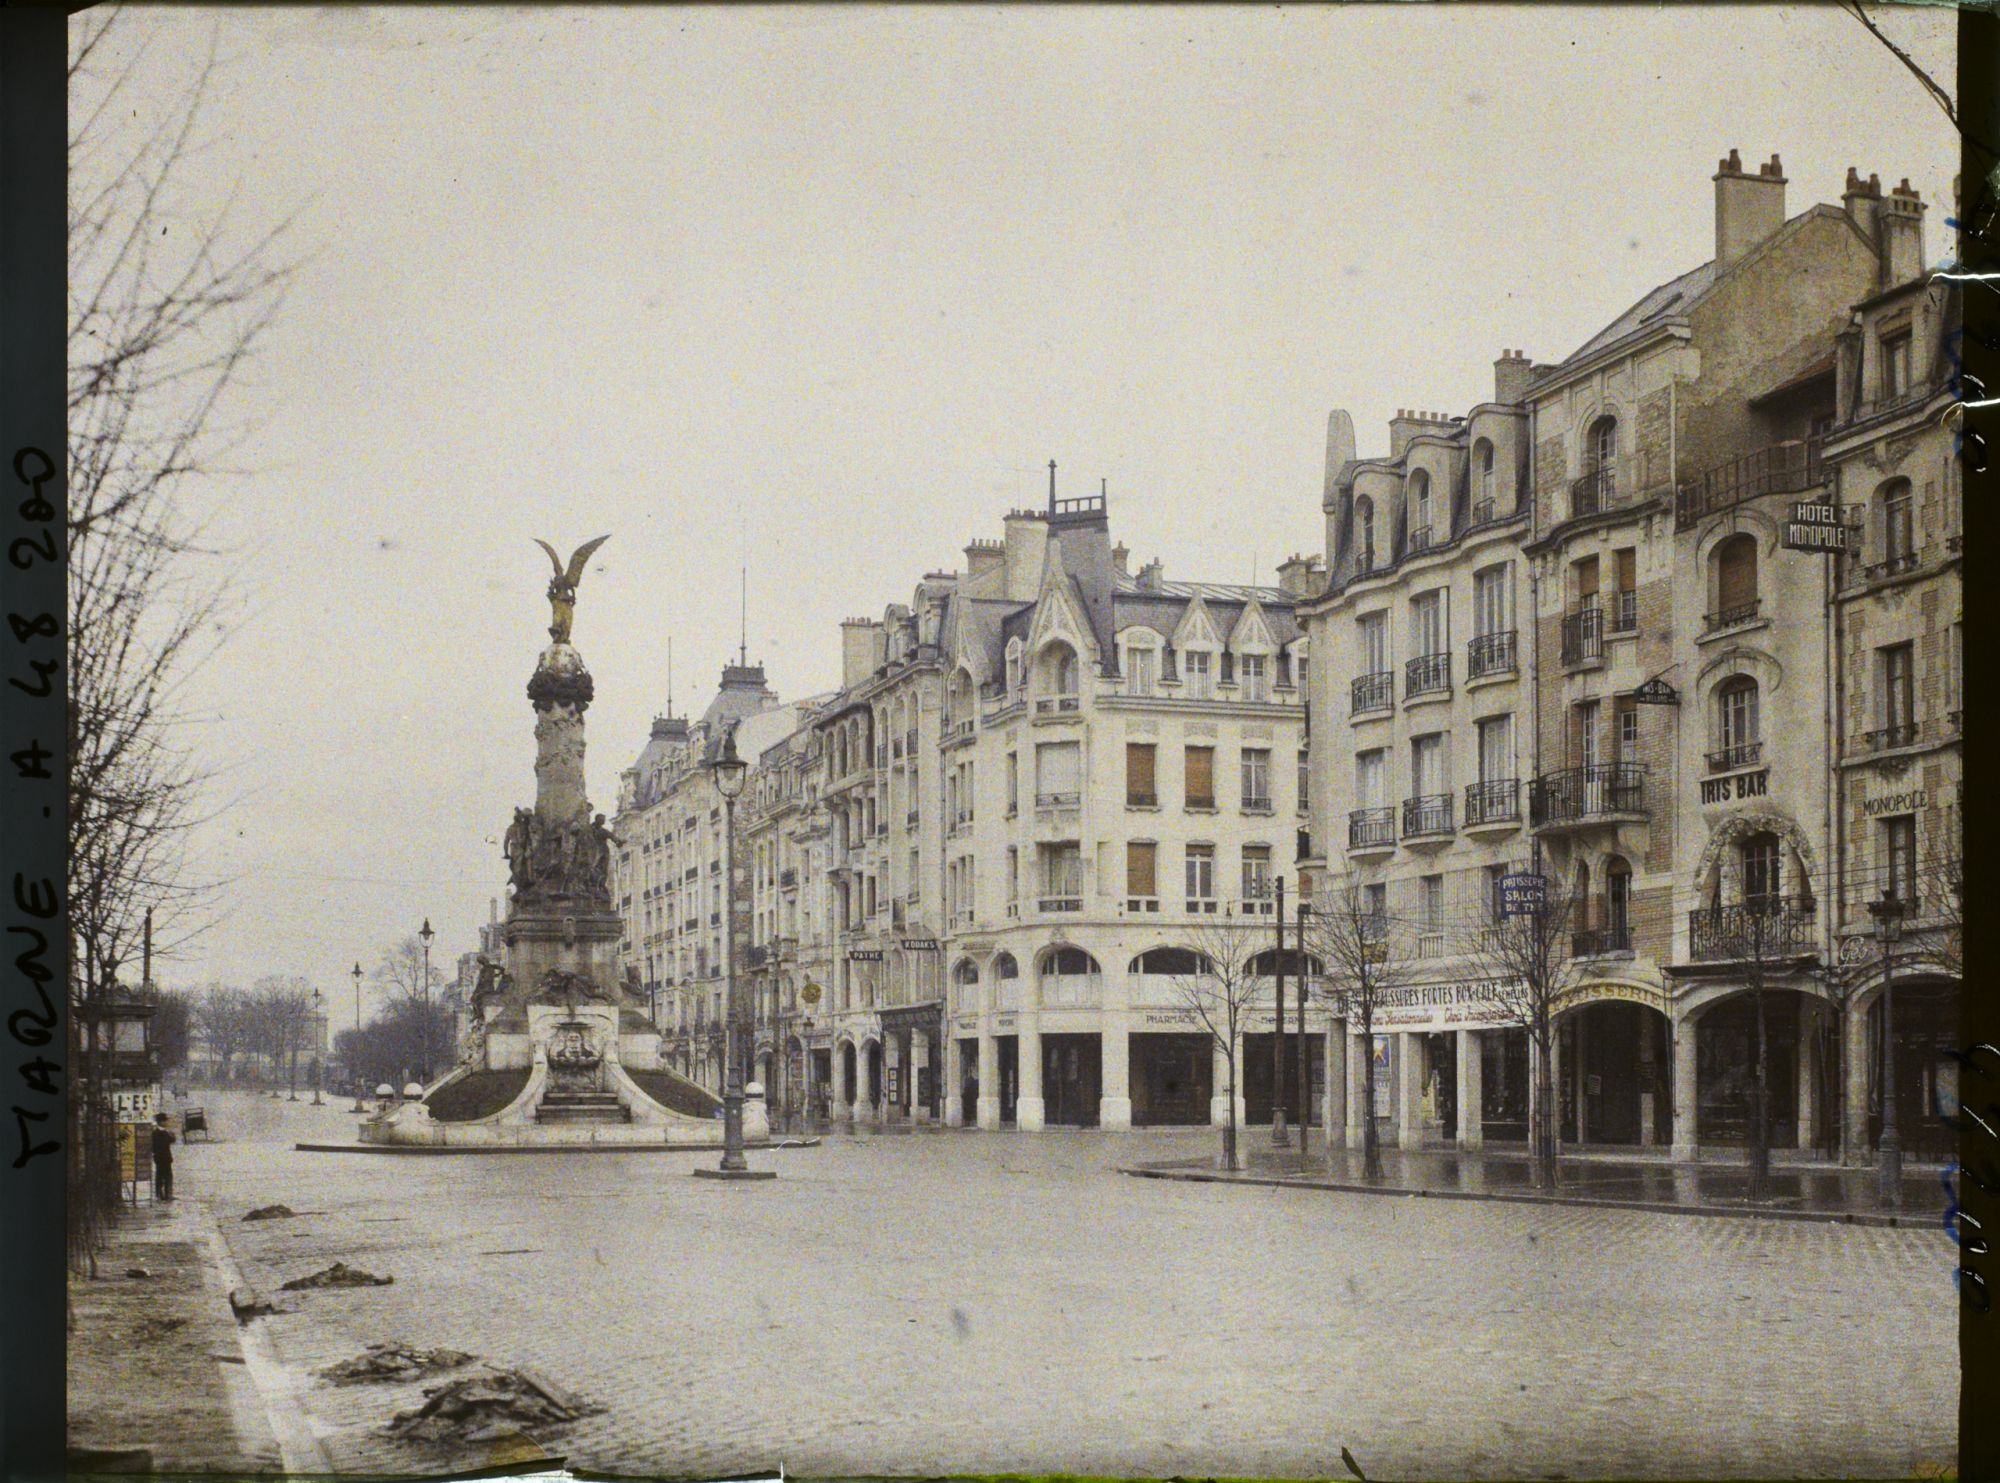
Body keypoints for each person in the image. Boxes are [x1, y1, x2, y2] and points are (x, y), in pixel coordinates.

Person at [151, 1112, 177, 1202]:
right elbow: (166, 1142)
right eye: (165, 1121)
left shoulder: (163, 1132)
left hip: (164, 1157)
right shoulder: (157, 1133)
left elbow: (172, 1140)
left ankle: (166, 1194)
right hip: (161, 1157)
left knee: (166, 1176)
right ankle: (161, 1195)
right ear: (160, 1122)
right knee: (161, 1177)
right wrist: (171, 1136)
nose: (166, 1122)